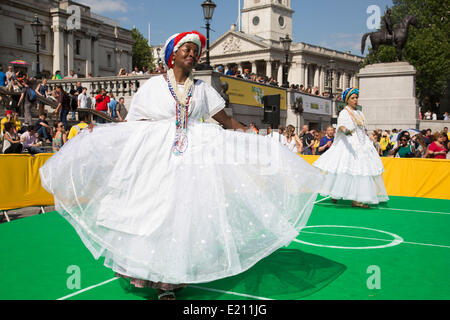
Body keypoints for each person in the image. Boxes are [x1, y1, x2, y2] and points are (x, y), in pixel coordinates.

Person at [39, 30, 323, 301]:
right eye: (186, 50)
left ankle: (170, 280)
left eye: (196, 52)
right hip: (156, 158)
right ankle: (148, 269)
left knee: (183, 215)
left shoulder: (202, 90)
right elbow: (133, 124)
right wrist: (100, 132)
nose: (192, 55)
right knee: (154, 212)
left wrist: (254, 136)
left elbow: (225, 121)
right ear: (172, 55)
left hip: (194, 157)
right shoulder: (152, 87)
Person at [313, 87, 389, 208]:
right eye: (352, 98)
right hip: (349, 145)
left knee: (359, 171)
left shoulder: (360, 113)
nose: (355, 100)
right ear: (347, 100)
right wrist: (346, 130)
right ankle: (337, 194)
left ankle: (355, 199)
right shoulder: (344, 112)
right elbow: (341, 126)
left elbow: (362, 129)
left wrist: (368, 139)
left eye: (356, 97)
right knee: (344, 170)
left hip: (361, 145)